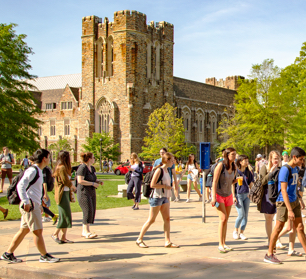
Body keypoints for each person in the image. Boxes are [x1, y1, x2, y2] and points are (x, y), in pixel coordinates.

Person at [1, 149, 60, 263]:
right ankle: (44, 256)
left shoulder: (38, 170)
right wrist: (26, 201)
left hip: (33, 204)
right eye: (49, 157)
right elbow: (20, 186)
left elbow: (33, 190)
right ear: (44, 158)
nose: (50, 159)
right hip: (30, 205)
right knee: (37, 231)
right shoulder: (33, 170)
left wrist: (39, 205)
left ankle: (8, 254)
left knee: (24, 230)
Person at [264, 147, 306, 264]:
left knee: (300, 228)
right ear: (294, 157)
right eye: (301, 159)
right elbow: (283, 190)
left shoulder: (295, 169)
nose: (302, 161)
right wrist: (290, 210)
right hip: (283, 202)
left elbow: (294, 186)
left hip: (295, 201)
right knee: (278, 227)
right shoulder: (285, 169)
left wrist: (300, 199)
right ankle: (269, 254)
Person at [136, 152, 179, 248]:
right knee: (151, 219)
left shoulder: (168, 171)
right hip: (156, 197)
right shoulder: (159, 170)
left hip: (165, 197)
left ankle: (167, 241)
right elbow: (152, 184)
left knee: (167, 219)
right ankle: (139, 239)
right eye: (172, 160)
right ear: (167, 160)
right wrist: (165, 186)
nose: (173, 162)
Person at [211, 147, 238, 253]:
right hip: (219, 195)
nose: (235, 156)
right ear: (227, 155)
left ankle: (224, 243)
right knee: (222, 218)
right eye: (232, 154)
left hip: (228, 195)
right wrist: (213, 197)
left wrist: (236, 180)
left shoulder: (234, 166)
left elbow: (230, 181)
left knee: (226, 219)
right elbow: (214, 181)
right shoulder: (220, 165)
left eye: (235, 154)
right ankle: (220, 244)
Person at [258, 150, 285, 249]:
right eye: (274, 158)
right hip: (267, 196)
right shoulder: (265, 168)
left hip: (279, 196)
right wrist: (270, 172)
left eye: (278, 158)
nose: (276, 160)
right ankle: (270, 240)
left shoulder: (282, 169)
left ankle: (277, 240)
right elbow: (262, 182)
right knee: (269, 219)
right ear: (270, 159)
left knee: (278, 219)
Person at [51, 151, 77, 244]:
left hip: (66, 193)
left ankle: (63, 237)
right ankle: (55, 234)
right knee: (64, 215)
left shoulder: (63, 168)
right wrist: (73, 186)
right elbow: (65, 181)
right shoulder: (61, 167)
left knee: (67, 215)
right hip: (62, 194)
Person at [77, 152, 103, 239]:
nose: (94, 159)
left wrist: (98, 182)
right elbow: (80, 180)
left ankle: (85, 230)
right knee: (87, 211)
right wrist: (92, 183)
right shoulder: (82, 167)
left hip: (91, 192)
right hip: (83, 192)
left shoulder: (92, 168)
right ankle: (86, 231)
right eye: (93, 157)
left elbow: (93, 178)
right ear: (89, 159)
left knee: (91, 210)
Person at [233, 155, 254, 240]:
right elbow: (232, 184)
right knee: (241, 214)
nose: (247, 162)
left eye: (247, 161)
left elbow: (251, 183)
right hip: (238, 195)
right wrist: (233, 196)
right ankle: (235, 231)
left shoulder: (248, 171)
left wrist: (253, 192)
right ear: (240, 162)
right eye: (245, 161)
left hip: (246, 195)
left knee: (245, 216)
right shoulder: (236, 171)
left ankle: (241, 233)